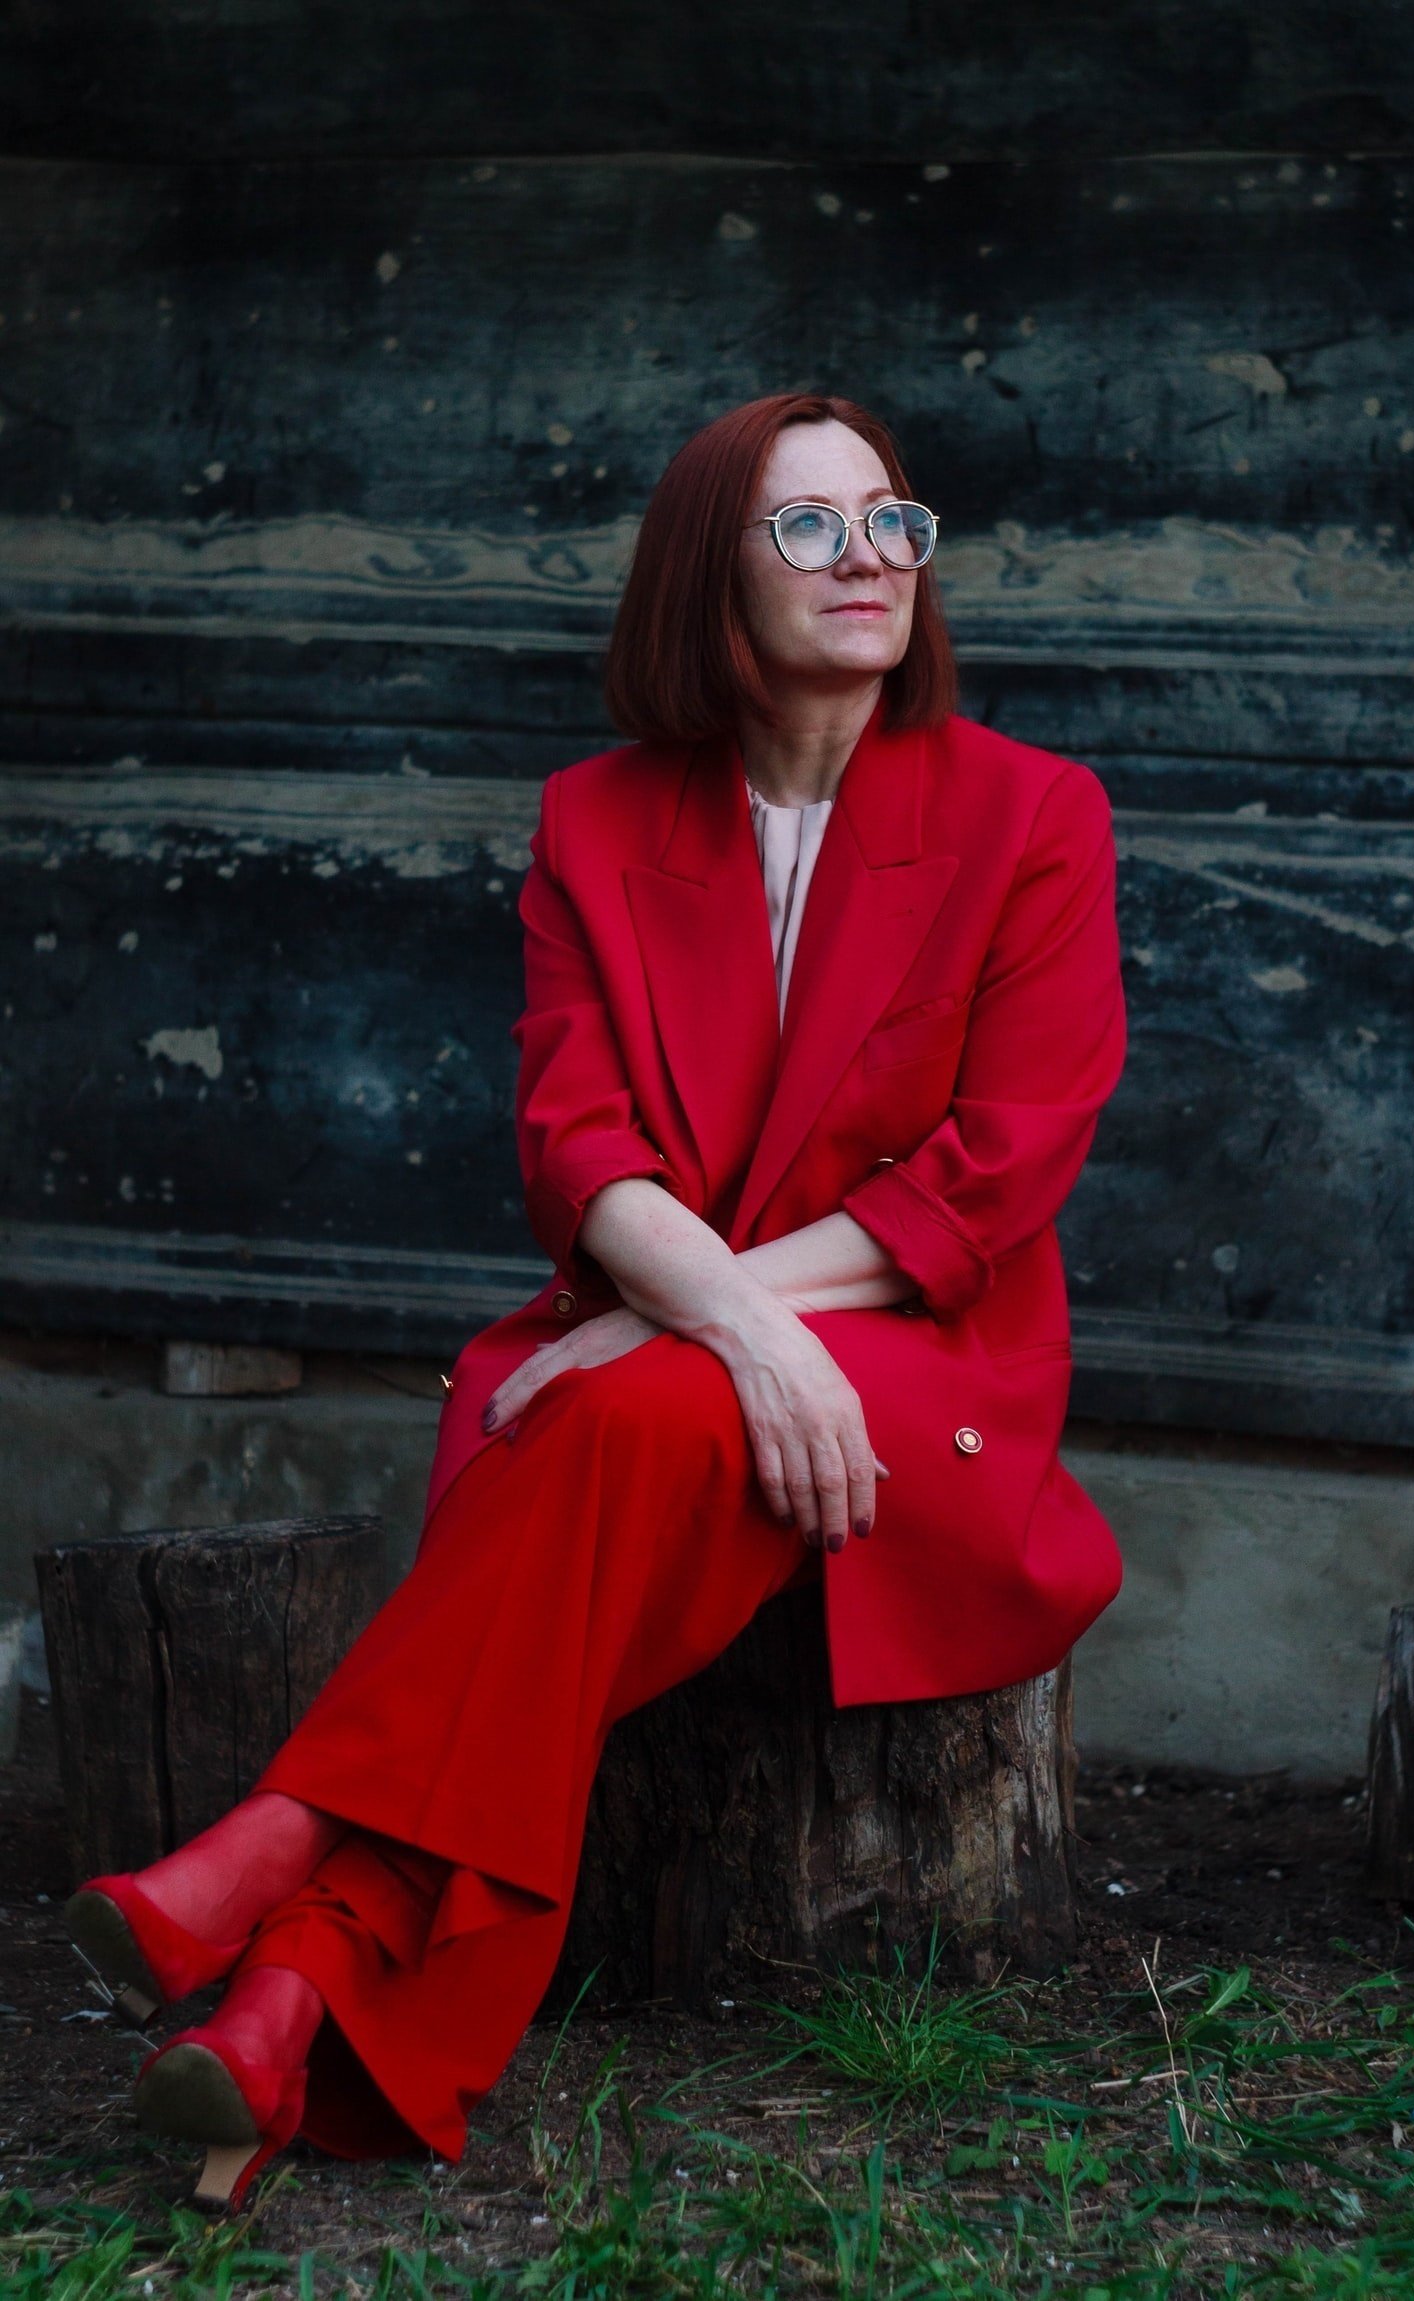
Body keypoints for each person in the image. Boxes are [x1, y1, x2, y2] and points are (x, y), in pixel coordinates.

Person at [63, 392, 1127, 2209]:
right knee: (606, 1422)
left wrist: (676, 1320)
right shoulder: (595, 817)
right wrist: (714, 1326)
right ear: (702, 569)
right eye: (807, 528)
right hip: (685, 1364)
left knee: (605, 1403)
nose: (867, 557)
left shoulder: (1031, 813)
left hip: (923, 1366)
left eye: (893, 521)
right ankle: (283, 2012)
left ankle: (279, 1855)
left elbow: (992, 1173)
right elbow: (578, 1146)